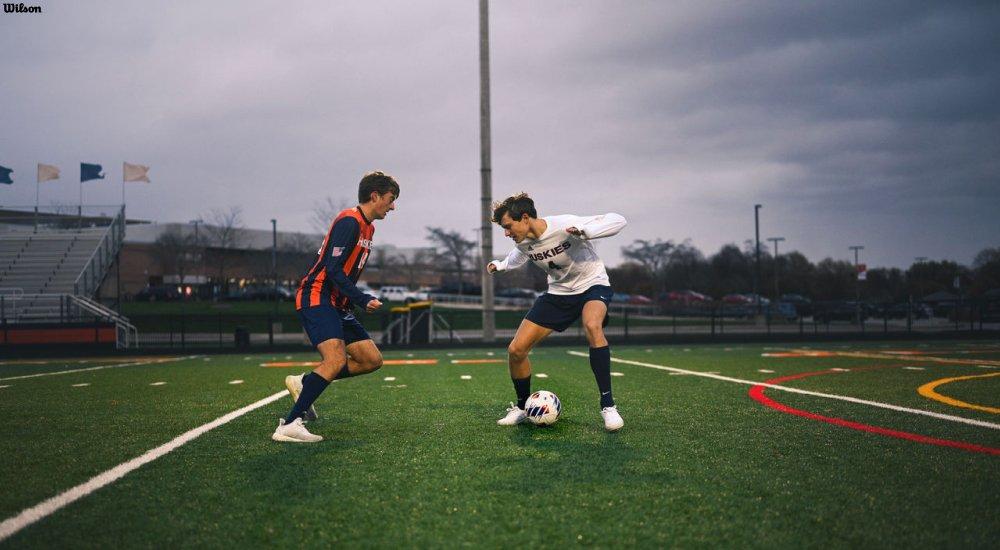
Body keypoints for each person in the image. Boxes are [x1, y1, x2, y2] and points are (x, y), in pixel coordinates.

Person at [272, 171, 399, 443]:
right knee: (335, 360)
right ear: (374, 196)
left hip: (337, 304)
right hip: (317, 296)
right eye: (390, 199)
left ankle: (306, 382)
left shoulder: (369, 227)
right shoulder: (349, 221)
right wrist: (362, 298)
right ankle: (290, 423)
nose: (393, 206)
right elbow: (332, 269)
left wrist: (352, 299)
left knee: (371, 360)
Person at [486, 193, 627, 431]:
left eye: (508, 226)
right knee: (516, 350)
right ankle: (522, 408)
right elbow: (520, 255)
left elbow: (618, 220)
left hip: (592, 286)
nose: (506, 232)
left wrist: (586, 230)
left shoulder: (563, 225)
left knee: (592, 325)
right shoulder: (522, 242)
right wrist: (501, 265)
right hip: (558, 294)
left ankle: (608, 406)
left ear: (526, 217)